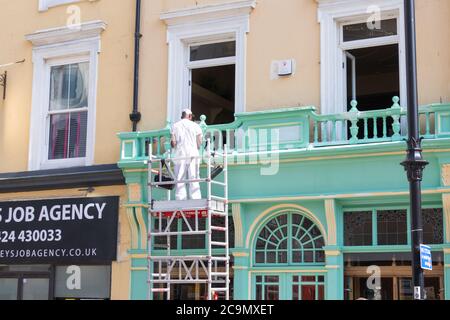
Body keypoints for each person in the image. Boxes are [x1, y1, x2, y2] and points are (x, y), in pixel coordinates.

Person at [171, 109, 203, 200]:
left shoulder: (175, 126)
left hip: (180, 154)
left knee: (180, 177)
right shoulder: (196, 126)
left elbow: (173, 143)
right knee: (194, 177)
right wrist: (197, 147)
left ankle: (180, 198)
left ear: (182, 115)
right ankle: (195, 198)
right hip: (193, 153)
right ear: (189, 116)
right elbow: (199, 142)